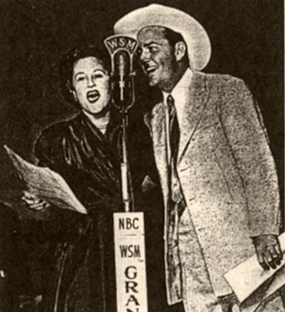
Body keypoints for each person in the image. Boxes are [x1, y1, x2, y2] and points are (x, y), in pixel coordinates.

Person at [114, 4, 284, 312]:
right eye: (140, 53)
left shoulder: (225, 90)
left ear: (179, 50)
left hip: (238, 250)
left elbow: (257, 165)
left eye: (152, 48)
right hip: (187, 258)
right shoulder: (155, 115)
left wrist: (266, 231)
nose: (143, 59)